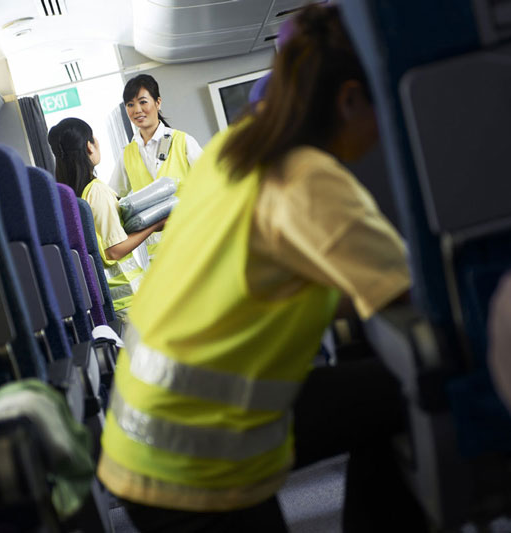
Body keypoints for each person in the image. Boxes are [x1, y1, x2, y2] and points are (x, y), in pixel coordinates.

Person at [98, 5, 427, 532]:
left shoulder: (232, 149)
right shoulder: (312, 180)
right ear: (348, 100)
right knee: (416, 385)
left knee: (377, 396)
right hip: (193, 460)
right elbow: (416, 304)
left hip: (142, 430)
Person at [48, 118, 161, 317]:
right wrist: (155, 224)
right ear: (89, 146)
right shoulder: (97, 191)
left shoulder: (67, 195)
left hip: (108, 300)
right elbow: (114, 251)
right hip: (129, 299)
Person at [109, 73, 203, 261]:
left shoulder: (182, 141)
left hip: (195, 241)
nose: (137, 110)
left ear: (158, 103)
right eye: (130, 105)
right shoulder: (127, 153)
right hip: (161, 256)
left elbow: (212, 184)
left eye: (143, 102)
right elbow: (113, 196)